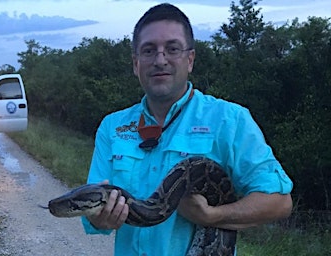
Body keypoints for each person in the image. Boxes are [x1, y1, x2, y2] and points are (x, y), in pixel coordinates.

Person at [81, 3, 293, 256]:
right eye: (149, 51)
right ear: (136, 64)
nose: (160, 60)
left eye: (172, 49)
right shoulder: (113, 127)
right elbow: (93, 208)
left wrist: (212, 215)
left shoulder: (229, 119)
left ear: (190, 59)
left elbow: (279, 202)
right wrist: (99, 219)